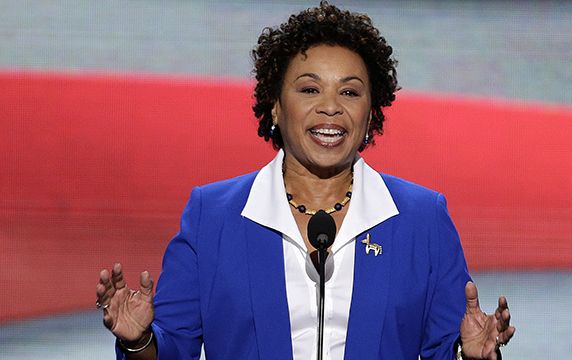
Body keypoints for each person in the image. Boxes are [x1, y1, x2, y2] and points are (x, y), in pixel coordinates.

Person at [96, 2, 516, 359]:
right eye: (309, 90)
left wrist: (475, 355)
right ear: (275, 107)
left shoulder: (423, 218)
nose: (331, 108)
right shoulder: (212, 215)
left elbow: (448, 347)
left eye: (350, 93)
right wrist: (139, 341)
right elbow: (170, 349)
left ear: (372, 113)